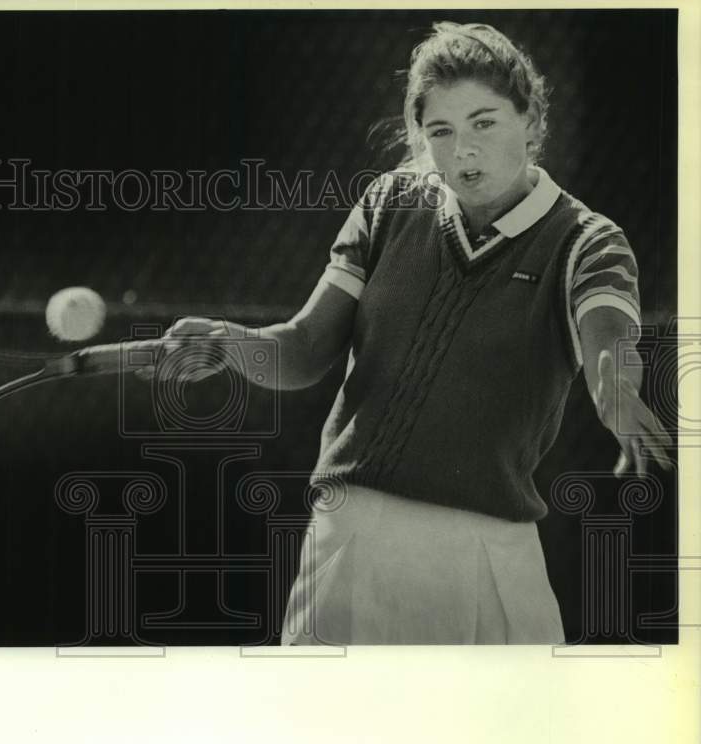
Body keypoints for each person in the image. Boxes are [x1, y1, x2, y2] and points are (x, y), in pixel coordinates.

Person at [147, 22, 673, 644]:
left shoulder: (588, 240)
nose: (463, 151)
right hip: (351, 534)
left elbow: (607, 336)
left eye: (485, 123)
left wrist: (617, 390)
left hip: (489, 545)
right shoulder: (387, 203)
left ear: (530, 122)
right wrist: (229, 343)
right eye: (441, 131)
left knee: (517, 739)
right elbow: (304, 350)